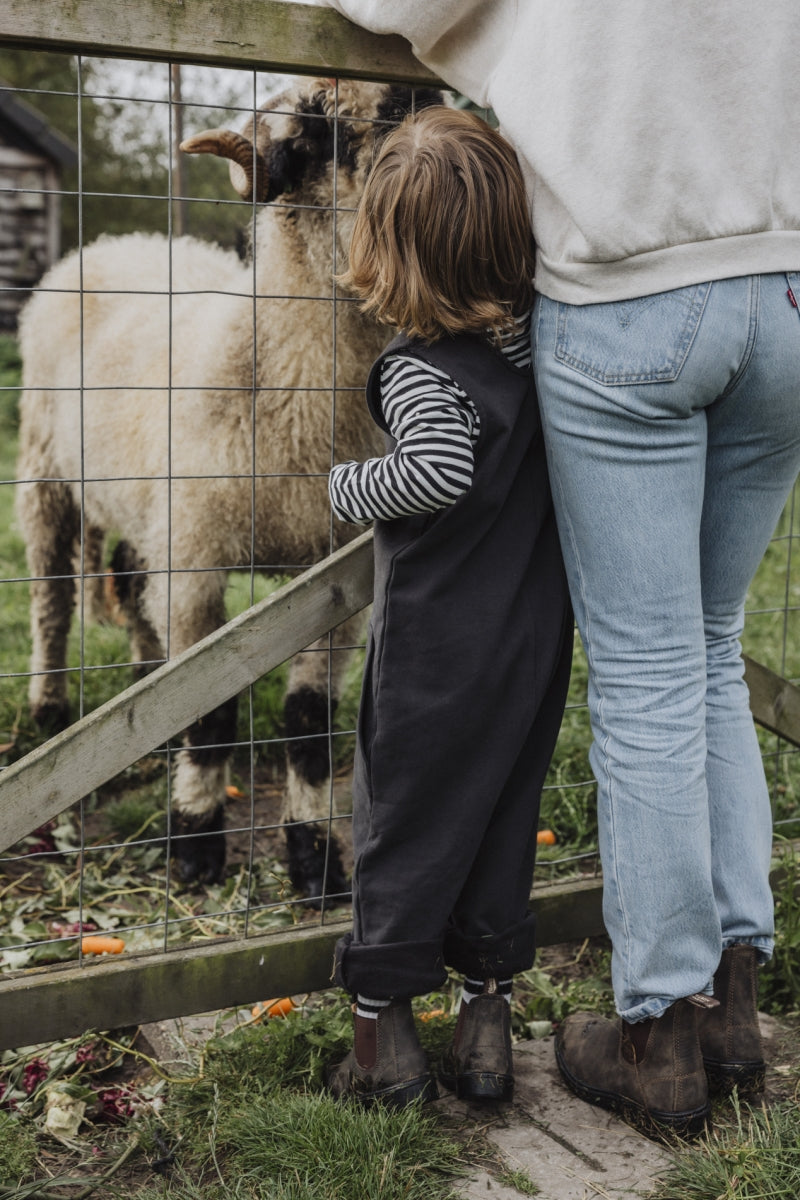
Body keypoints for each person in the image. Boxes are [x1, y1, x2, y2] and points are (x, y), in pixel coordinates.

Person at [319, 1, 800, 1137]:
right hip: (782, 288)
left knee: (642, 673)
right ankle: (734, 1006)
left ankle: (659, 1035)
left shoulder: (423, 368)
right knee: (706, 651)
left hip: (631, 290)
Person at [325, 104, 572, 1107]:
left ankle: (382, 1046)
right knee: (498, 822)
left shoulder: (419, 370)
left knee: (404, 831)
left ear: (385, 245)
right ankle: (483, 1032)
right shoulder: (532, 353)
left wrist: (344, 488)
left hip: (435, 655)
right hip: (529, 642)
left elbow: (433, 469)